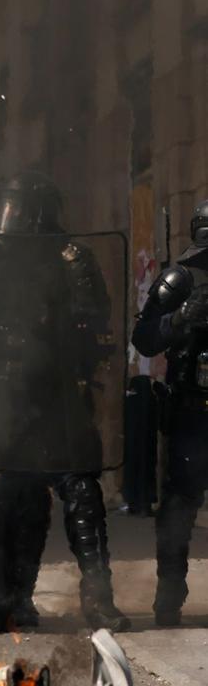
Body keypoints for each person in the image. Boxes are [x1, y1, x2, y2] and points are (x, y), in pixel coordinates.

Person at [0, 172, 128, 632]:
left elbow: (93, 323)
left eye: (20, 209)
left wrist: (62, 343)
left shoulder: (72, 259)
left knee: (82, 491)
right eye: (9, 208)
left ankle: (97, 598)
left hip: (58, 396)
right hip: (1, 396)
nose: (13, 220)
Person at [132, 199, 208, 626]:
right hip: (193, 412)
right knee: (178, 510)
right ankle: (168, 596)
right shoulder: (180, 279)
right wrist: (180, 319)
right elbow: (144, 339)